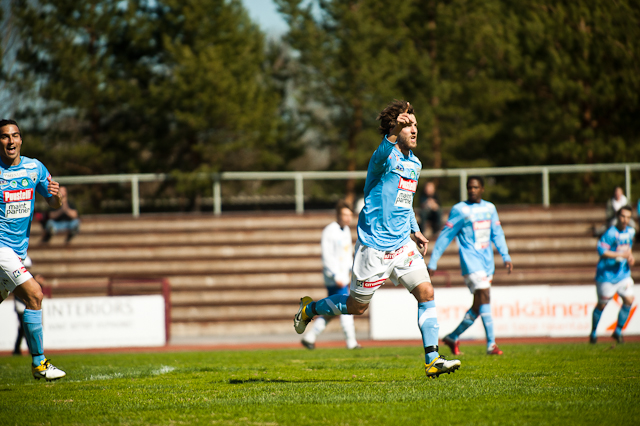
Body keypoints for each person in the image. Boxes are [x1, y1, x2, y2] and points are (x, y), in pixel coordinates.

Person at [294, 100, 461, 378]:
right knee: (356, 307)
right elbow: (386, 147)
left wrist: (414, 229)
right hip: (374, 248)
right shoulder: (382, 158)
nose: (414, 130)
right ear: (396, 128)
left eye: (416, 125)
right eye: (409, 126)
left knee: (426, 293)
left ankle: (432, 359)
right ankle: (310, 308)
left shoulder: (415, 163)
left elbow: (404, 201)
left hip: (402, 246)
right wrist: (397, 127)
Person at [0, 119, 66, 381]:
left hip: (16, 252)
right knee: (35, 295)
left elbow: (53, 203)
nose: (11, 141)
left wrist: (55, 195)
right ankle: (39, 363)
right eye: (5, 137)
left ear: (21, 139)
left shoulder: (34, 167)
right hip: (1, 249)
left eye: (15, 135)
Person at [427, 176, 513, 356]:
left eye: (475, 187)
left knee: (481, 304)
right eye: (469, 188)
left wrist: (505, 255)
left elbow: (497, 233)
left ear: (482, 189)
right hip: (471, 263)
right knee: (485, 295)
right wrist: (433, 261)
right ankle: (491, 344)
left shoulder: (490, 208)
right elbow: (446, 235)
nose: (472, 190)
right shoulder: (460, 210)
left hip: (487, 263)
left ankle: (453, 336)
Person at [301, 201, 360, 350]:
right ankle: (351, 342)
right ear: (338, 215)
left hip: (343, 277)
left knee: (333, 310)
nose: (347, 218)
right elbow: (327, 256)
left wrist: (351, 271)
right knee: (347, 307)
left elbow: (347, 255)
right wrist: (335, 276)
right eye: (345, 215)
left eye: (350, 215)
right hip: (335, 278)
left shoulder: (345, 230)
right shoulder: (330, 230)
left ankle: (309, 337)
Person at [590, 205, 635, 344]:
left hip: (623, 274)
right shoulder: (611, 233)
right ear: (617, 217)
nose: (625, 220)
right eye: (623, 216)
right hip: (607, 276)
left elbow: (628, 248)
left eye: (628, 217)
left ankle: (618, 331)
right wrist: (619, 255)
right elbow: (601, 251)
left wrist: (630, 257)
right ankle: (593, 332)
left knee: (629, 300)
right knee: (602, 305)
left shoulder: (631, 232)